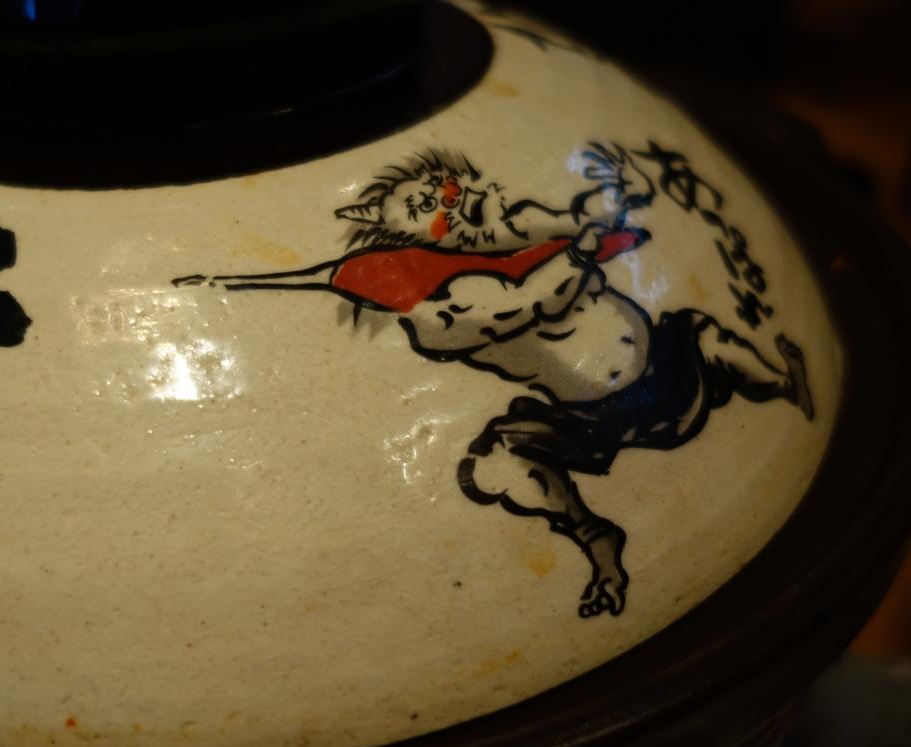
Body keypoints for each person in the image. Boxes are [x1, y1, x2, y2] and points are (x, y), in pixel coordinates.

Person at [173, 145, 813, 617]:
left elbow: (592, 211)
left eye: (446, 190)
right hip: (592, 418)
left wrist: (618, 197)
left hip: (670, 371)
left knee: (704, 334)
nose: (451, 203)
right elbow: (523, 303)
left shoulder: (528, 226)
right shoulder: (441, 308)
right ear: (408, 237)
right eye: (428, 210)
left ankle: (785, 383)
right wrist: (220, 283)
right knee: (499, 459)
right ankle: (596, 539)